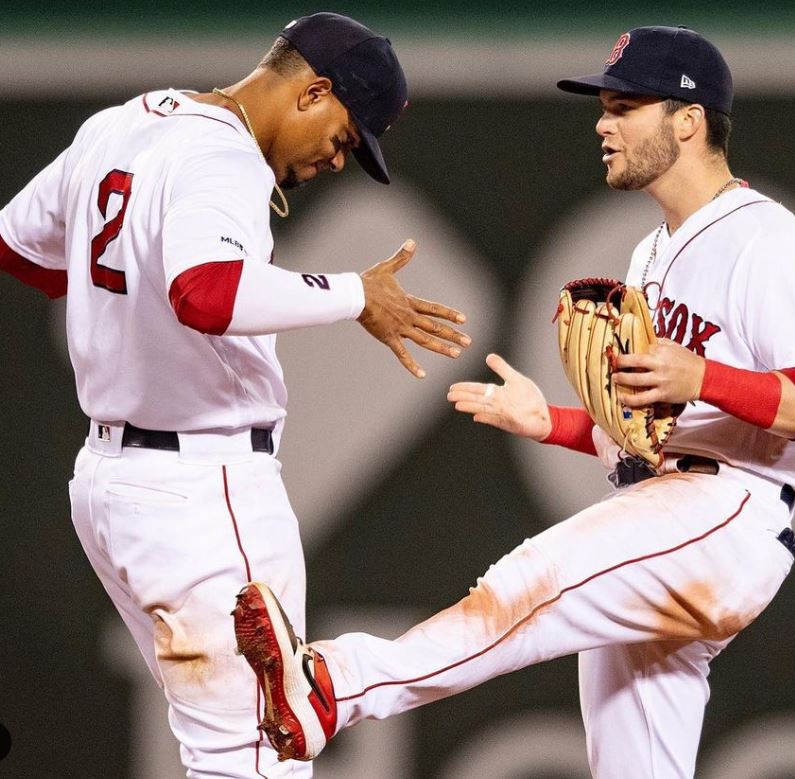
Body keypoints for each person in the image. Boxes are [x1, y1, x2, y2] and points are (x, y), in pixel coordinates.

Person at [231, 25, 795, 778]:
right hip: (670, 505)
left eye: (625, 106)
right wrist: (558, 423)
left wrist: (704, 378)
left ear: (688, 120)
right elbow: (654, 428)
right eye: (604, 106)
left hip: (727, 511)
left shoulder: (771, 241)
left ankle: (335, 685)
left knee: (534, 578)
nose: (602, 123)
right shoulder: (651, 252)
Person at [0, 12, 471, 779]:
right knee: (260, 760)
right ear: (313, 91)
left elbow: (19, 245)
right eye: (347, 138)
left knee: (224, 750)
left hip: (111, 486)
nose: (336, 160)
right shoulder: (221, 156)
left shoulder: (124, 124)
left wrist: (114, 291)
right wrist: (356, 293)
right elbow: (206, 293)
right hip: (202, 489)